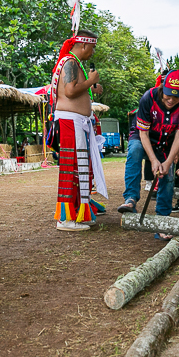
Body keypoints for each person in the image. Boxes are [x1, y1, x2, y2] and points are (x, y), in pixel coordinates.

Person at [51, 29, 107, 231]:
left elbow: (74, 88)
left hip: (75, 123)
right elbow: (70, 91)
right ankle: (65, 219)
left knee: (78, 170)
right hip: (70, 123)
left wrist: (91, 87)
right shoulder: (70, 62)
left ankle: (75, 213)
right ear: (83, 45)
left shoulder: (73, 62)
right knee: (71, 169)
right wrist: (91, 81)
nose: (92, 52)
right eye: (92, 47)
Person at [130, 71, 179, 237]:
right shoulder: (149, 97)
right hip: (143, 136)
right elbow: (143, 134)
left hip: (167, 140)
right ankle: (130, 198)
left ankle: (162, 222)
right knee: (135, 151)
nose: (171, 100)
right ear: (162, 88)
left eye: (176, 97)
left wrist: (167, 162)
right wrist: (153, 160)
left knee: (168, 174)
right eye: (168, 95)